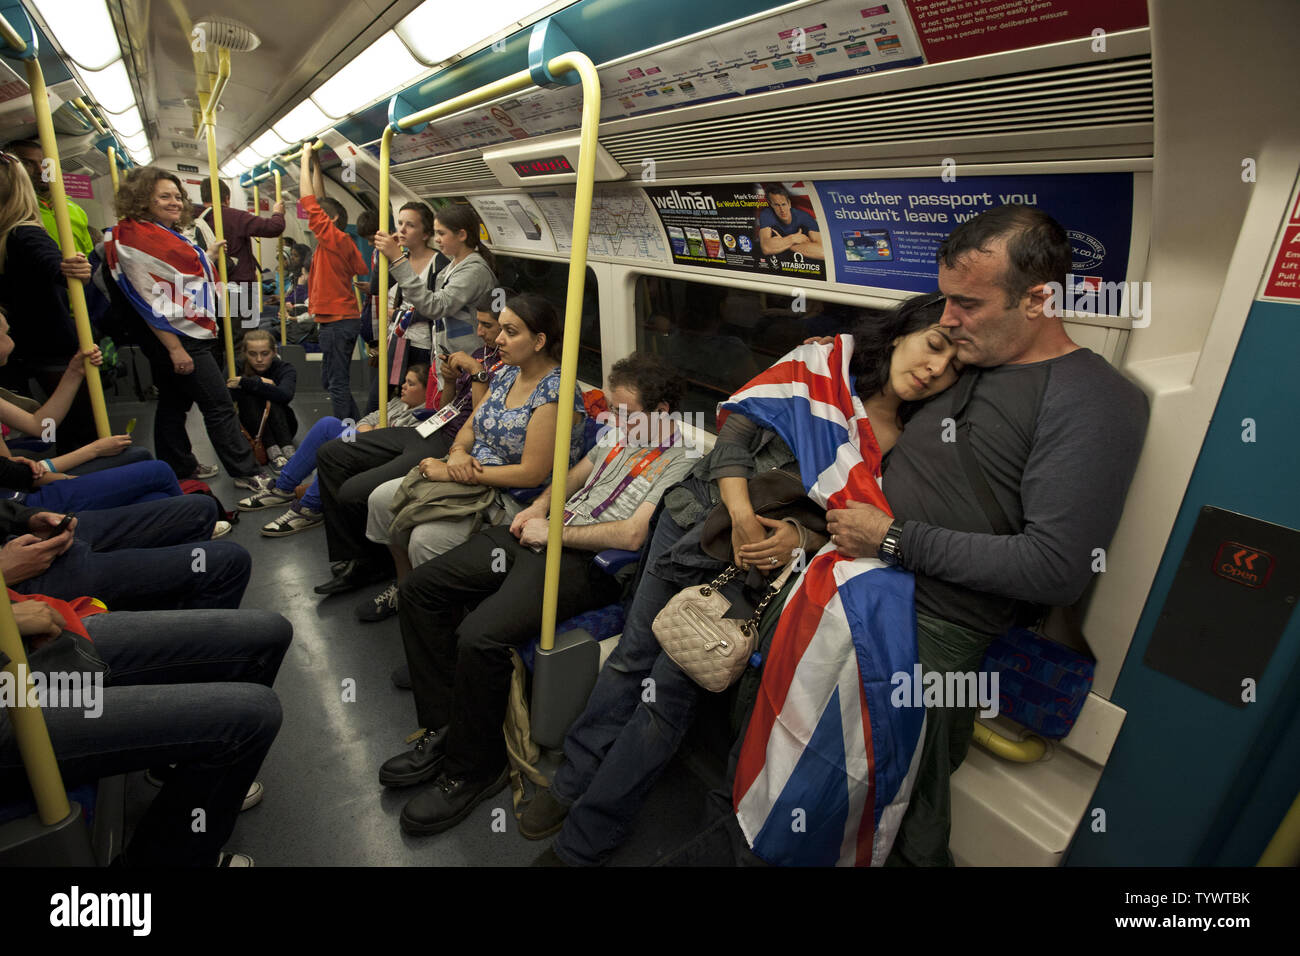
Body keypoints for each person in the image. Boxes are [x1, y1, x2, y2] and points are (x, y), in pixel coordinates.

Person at [519, 293, 963, 866]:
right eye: (933, 346)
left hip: (757, 573)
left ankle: (583, 839)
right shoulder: (818, 366)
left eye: (954, 366)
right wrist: (745, 516)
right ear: (903, 332)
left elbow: (856, 523)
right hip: (694, 525)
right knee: (633, 658)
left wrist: (798, 540)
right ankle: (569, 784)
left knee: (668, 695)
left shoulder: (911, 439)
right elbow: (733, 440)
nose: (935, 369)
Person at [380, 353, 697, 834]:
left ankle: (473, 769)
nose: (615, 420)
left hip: (584, 561)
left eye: (628, 412)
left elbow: (632, 535)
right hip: (543, 536)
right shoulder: (617, 433)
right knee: (423, 590)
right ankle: (447, 727)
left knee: (479, 635)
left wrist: (554, 535)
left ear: (665, 410)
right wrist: (540, 510)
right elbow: (572, 478)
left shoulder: (683, 462)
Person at [0, 595, 290, 866]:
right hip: (9, 690)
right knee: (250, 717)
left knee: (266, 633)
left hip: (23, 634)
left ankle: (188, 779)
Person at [353, 292, 587, 623]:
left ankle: (439, 621)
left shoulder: (555, 392)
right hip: (469, 473)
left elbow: (530, 474)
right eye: (501, 329)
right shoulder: (507, 373)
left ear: (539, 341)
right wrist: (458, 451)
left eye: (510, 331)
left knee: (424, 539)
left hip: (513, 498)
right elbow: (472, 425)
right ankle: (408, 591)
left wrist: (453, 473)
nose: (499, 339)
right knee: (380, 500)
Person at [311, 296, 502, 596]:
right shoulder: (483, 353)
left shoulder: (503, 368)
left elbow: (480, 424)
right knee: (331, 453)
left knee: (353, 492)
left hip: (449, 442)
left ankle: (369, 563)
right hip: (428, 427)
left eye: (488, 326)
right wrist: (451, 380)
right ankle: (354, 555)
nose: (480, 332)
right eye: (478, 323)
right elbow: (451, 406)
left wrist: (478, 373)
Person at [103, 166, 269, 488]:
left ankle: (178, 468)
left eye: (178, 196)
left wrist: (206, 255)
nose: (175, 202)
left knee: (174, 402)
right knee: (219, 405)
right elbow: (148, 299)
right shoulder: (135, 239)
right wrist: (175, 349)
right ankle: (247, 474)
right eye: (164, 196)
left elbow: (179, 278)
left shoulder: (162, 235)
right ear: (143, 199)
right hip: (178, 337)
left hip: (181, 333)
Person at [237, 363, 431, 537]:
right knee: (327, 424)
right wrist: (369, 431)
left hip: (382, 457)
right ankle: (283, 487)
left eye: (411, 384)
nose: (403, 386)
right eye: (405, 381)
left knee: (342, 443)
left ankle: (309, 509)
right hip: (368, 441)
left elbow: (397, 443)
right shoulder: (399, 403)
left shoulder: (422, 418)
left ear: (427, 391)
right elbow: (368, 419)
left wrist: (372, 434)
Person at [0, 150, 98, 455]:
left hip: (21, 345)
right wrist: (70, 268)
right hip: (52, 342)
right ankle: (74, 476)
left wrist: (67, 267)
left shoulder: (6, 235)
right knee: (78, 424)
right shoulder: (27, 232)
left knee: (47, 423)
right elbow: (56, 265)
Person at [0, 493, 250, 610]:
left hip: (18, 539)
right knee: (226, 561)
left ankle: (167, 611)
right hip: (16, 584)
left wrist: (27, 518)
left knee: (200, 509)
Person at [372, 201, 494, 375]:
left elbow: (435, 307)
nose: (436, 239)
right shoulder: (451, 268)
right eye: (436, 233)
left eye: (441, 233)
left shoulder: (474, 271)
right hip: (447, 359)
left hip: (467, 360)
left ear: (461, 235)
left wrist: (398, 259)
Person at [299, 146, 368, 420]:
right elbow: (320, 201)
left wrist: (304, 158)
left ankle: (346, 438)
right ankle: (358, 425)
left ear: (332, 221)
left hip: (338, 323)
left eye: (319, 218)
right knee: (331, 381)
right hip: (339, 320)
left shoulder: (335, 240)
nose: (313, 221)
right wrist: (316, 166)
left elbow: (309, 202)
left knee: (337, 384)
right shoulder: (336, 242)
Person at [197, 178, 286, 331]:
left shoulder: (196, 218)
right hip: (241, 288)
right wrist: (278, 213)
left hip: (209, 289)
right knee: (246, 336)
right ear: (227, 198)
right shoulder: (234, 216)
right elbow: (274, 228)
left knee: (218, 337)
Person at [6, 139, 93, 254]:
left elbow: (90, 255)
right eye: (27, 164)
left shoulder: (75, 210)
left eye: (44, 164)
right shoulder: (12, 211)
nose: (41, 170)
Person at [227, 328, 298, 469]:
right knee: (249, 397)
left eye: (265, 354)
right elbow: (225, 398)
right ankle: (273, 451)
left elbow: (285, 396)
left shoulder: (285, 368)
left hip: (283, 425)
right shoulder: (235, 366)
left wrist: (247, 382)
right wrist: (258, 382)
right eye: (252, 354)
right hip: (251, 425)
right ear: (245, 354)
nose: (259, 359)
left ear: (274, 352)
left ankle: (286, 447)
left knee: (271, 396)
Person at [756, 182, 823, 260]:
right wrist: (793, 239)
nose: (782, 210)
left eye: (783, 204)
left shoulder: (804, 217)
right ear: (771, 205)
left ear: (789, 204)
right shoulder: (767, 214)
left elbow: (822, 251)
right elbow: (766, 248)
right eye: (777, 205)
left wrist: (782, 243)